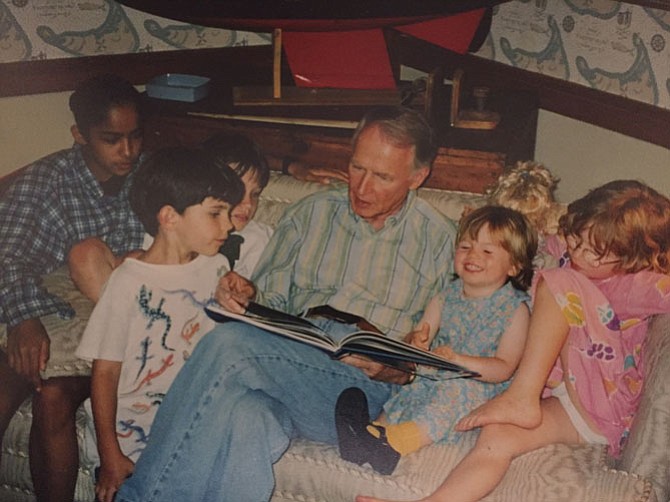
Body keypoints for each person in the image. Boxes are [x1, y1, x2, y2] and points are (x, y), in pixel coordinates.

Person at [115, 106, 457, 502]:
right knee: (250, 418)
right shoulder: (309, 214)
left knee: (229, 347)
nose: (361, 188)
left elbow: (440, 363)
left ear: (418, 176)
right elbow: (270, 300)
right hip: (289, 365)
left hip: (359, 393)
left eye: (381, 177)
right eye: (357, 168)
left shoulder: (442, 244)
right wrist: (246, 295)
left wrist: (395, 370)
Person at [357, 179, 670, 502]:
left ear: (635, 257)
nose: (578, 253)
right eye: (576, 239)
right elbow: (536, 241)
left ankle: (521, 396)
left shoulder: (637, 284)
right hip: (569, 409)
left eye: (594, 252)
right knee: (497, 438)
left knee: (560, 281)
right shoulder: (570, 252)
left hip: (599, 399)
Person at [0, 73, 145, 502]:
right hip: (41, 303)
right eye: (111, 139)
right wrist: (23, 318)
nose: (127, 151)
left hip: (106, 320)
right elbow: (6, 255)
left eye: (135, 137)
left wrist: (293, 165)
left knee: (53, 396)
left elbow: (215, 170)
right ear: (79, 135)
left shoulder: (151, 174)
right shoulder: (43, 182)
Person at [75, 146, 243, 502]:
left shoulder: (216, 268)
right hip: (128, 441)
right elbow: (104, 374)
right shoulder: (129, 283)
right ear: (169, 217)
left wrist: (245, 295)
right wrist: (109, 455)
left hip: (188, 428)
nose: (229, 225)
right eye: (216, 213)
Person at [336, 205, 537, 475]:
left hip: (480, 385)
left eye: (487, 251)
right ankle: (370, 436)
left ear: (514, 266)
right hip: (438, 371)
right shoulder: (445, 296)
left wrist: (459, 361)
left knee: (453, 393)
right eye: (465, 246)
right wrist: (416, 343)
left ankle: (394, 443)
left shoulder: (515, 309)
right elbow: (419, 338)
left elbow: (504, 367)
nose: (472, 255)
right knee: (410, 388)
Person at [201, 131, 274, 278]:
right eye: (238, 190)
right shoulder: (177, 231)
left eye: (255, 194)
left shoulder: (260, 239)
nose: (248, 204)